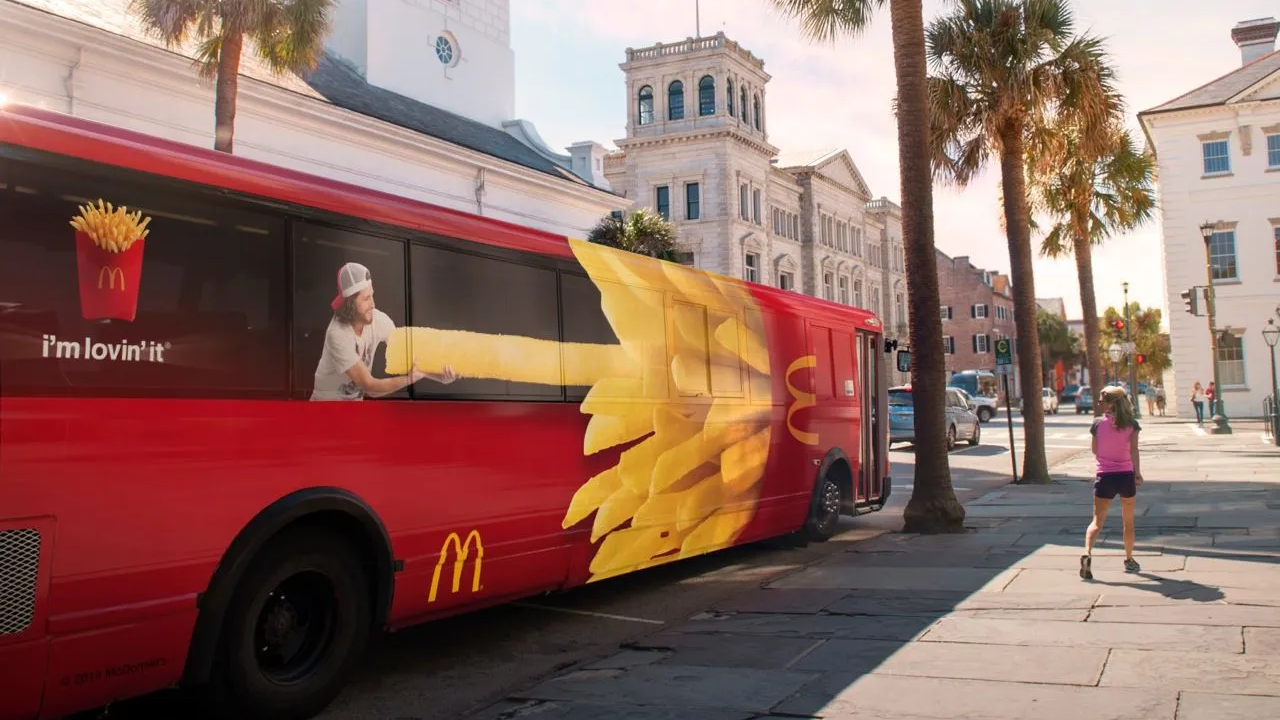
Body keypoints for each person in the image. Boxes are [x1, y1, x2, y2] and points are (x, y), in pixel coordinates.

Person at [312, 262, 457, 400]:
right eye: (366, 298)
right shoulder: (337, 333)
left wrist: (440, 376)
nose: (373, 304)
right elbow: (369, 386)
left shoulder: (379, 320)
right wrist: (410, 379)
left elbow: (408, 358)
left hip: (352, 411)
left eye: (372, 295)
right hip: (322, 411)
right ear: (350, 304)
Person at [1080, 385, 1143, 580]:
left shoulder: (1097, 424)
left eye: (1101, 401)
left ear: (1109, 403)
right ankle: (1129, 559)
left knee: (1097, 522)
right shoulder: (1132, 424)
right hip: (1125, 476)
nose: (1099, 404)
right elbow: (1134, 450)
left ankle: (1087, 553)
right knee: (1128, 522)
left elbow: (1094, 450)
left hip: (1104, 477)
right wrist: (1137, 473)